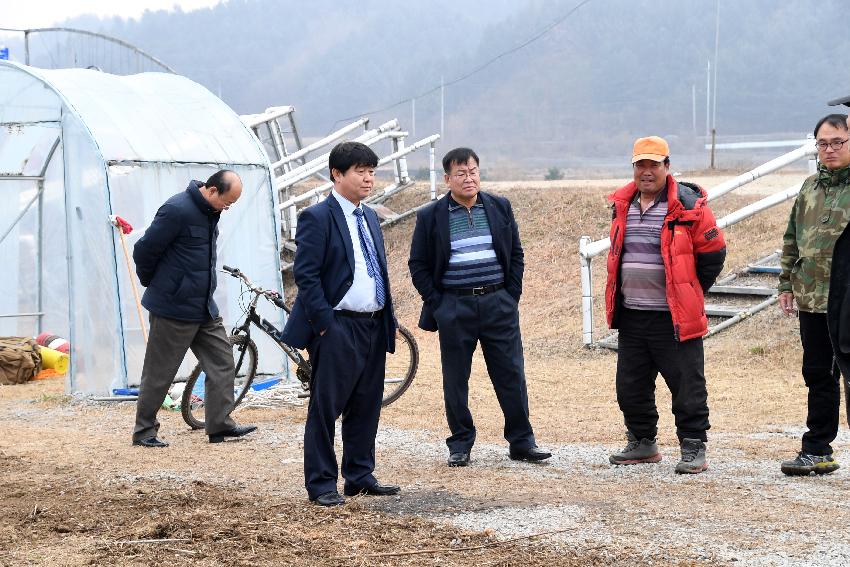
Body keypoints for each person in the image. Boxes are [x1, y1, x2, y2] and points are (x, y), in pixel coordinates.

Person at [408, 147, 551, 467]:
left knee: (511, 373)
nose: (468, 178)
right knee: (456, 379)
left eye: (473, 171)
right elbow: (417, 263)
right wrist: (438, 303)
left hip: (498, 303)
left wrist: (510, 295)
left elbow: (516, 253)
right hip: (454, 306)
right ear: (447, 178)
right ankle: (460, 442)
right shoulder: (430, 215)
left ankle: (522, 441)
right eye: (461, 173)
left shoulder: (499, 207)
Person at [281, 141, 399, 507]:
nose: (368, 178)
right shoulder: (317, 217)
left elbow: (375, 270)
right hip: (337, 326)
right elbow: (307, 276)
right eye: (360, 171)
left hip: (373, 324)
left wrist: (386, 316)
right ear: (337, 174)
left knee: (366, 405)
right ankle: (320, 483)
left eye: (371, 171)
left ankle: (360, 475)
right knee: (326, 407)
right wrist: (325, 326)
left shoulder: (369, 217)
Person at [605, 136, 726, 474]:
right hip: (632, 314)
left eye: (654, 164)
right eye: (640, 165)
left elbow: (713, 254)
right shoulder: (622, 205)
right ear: (633, 168)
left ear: (667, 167)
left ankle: (693, 446)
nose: (647, 171)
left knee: (687, 383)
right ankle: (642, 442)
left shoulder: (689, 206)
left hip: (673, 316)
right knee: (631, 385)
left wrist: (687, 289)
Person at [132, 170, 256, 447]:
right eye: (227, 202)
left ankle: (220, 426)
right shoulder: (177, 210)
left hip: (203, 307)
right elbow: (144, 250)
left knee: (223, 360)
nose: (227, 208)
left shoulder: (210, 213)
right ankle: (144, 432)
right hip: (173, 307)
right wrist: (162, 285)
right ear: (212, 191)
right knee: (160, 371)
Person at [778, 113, 850, 476]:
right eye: (823, 143)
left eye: (838, 142)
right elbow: (792, 239)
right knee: (818, 374)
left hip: (847, 301)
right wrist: (786, 283)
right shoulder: (809, 188)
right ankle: (817, 448)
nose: (830, 150)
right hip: (811, 298)